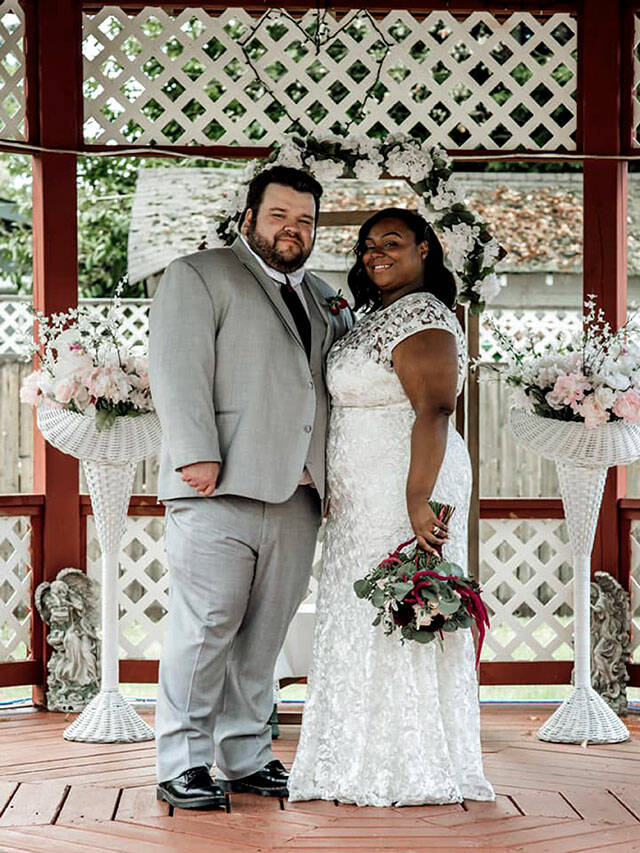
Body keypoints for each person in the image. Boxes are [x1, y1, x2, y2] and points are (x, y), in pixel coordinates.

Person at [149, 166, 351, 810]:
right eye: (279, 216)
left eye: (305, 221)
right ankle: (181, 761)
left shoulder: (323, 296)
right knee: (206, 628)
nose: (292, 230)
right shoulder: (200, 274)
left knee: (264, 636)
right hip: (218, 485)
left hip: (298, 495)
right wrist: (195, 455)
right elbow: (177, 369)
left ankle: (244, 754)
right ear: (249, 218)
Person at [288, 208, 494, 807]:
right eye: (367, 245)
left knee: (399, 612)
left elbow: (434, 409)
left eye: (392, 243)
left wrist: (416, 498)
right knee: (360, 615)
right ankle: (351, 759)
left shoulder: (425, 315)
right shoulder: (374, 315)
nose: (374, 254)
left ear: (425, 250)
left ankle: (409, 764)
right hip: (360, 493)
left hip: (407, 484)